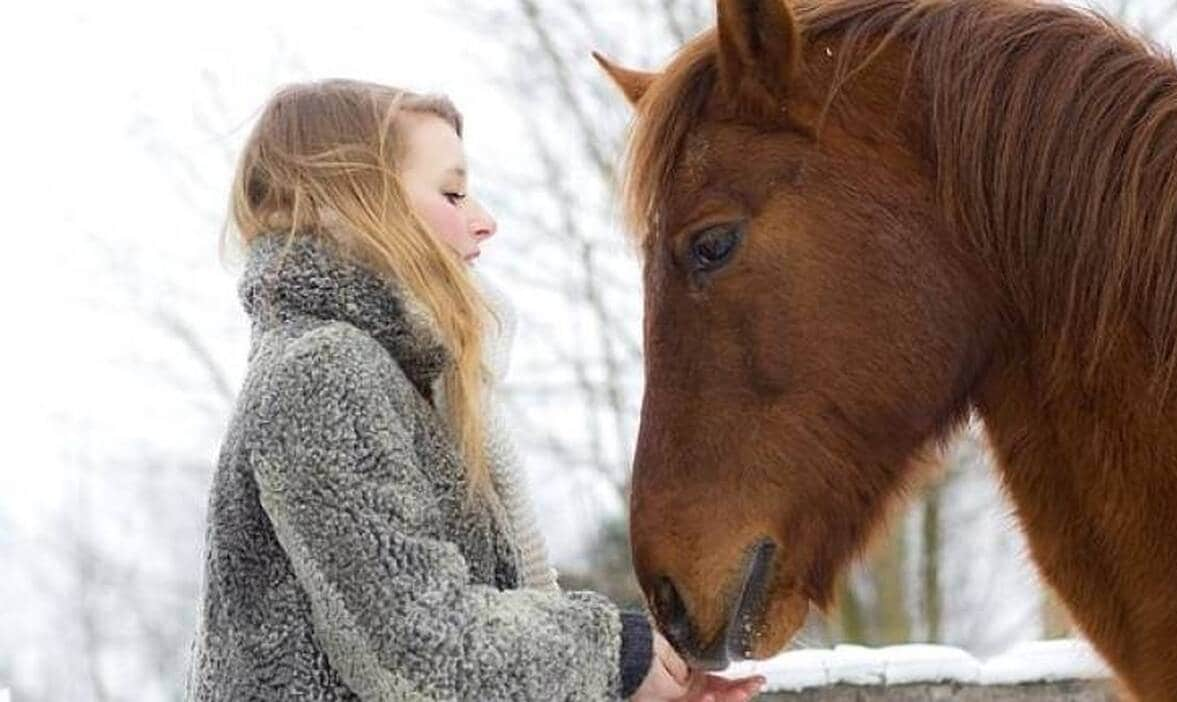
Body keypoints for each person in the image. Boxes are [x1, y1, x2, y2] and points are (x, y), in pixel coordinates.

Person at [186, 78, 766, 701]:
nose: (484, 222)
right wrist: (617, 657)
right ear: (354, 203)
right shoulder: (322, 372)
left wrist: (629, 688)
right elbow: (418, 643)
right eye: (453, 193)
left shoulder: (394, 379)